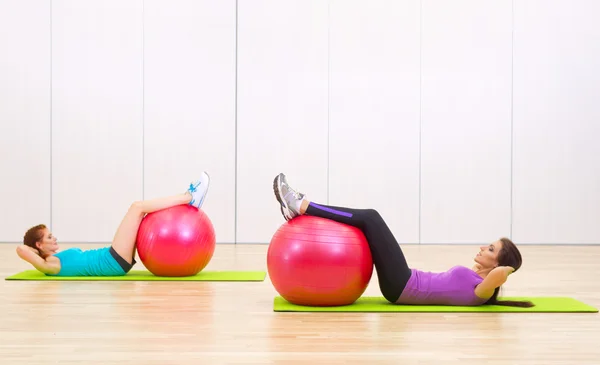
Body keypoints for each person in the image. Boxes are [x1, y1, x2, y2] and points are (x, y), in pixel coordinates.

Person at [272, 173, 534, 307]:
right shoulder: (479, 284)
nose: (482, 247)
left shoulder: (482, 292)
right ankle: (303, 206)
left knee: (371, 218)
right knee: (368, 224)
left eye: (490, 248)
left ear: (498, 261)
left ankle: (302, 205)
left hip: (403, 285)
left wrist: (509, 268)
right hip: (403, 281)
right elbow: (495, 273)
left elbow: (498, 275)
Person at [17, 172, 211, 277]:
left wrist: (38, 250)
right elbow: (20, 250)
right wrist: (35, 252)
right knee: (137, 207)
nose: (55, 237)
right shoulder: (51, 265)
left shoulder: (55, 260)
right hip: (112, 261)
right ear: (38, 245)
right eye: (49, 237)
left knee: (139, 215)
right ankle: (189, 196)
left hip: (112, 258)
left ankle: (188, 198)